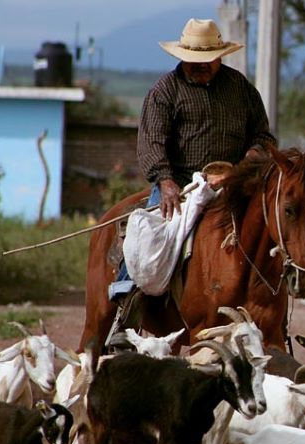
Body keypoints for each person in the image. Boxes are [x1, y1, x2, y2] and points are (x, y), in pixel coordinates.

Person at [107, 18, 277, 335]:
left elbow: (263, 137)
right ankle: (127, 301)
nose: (201, 67)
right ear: (182, 57)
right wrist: (165, 181)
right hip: (181, 184)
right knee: (151, 233)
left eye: (208, 61)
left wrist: (251, 158)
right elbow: (151, 141)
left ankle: (275, 306)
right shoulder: (165, 91)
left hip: (234, 184)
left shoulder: (241, 88)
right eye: (195, 61)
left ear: (220, 56)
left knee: (271, 229)